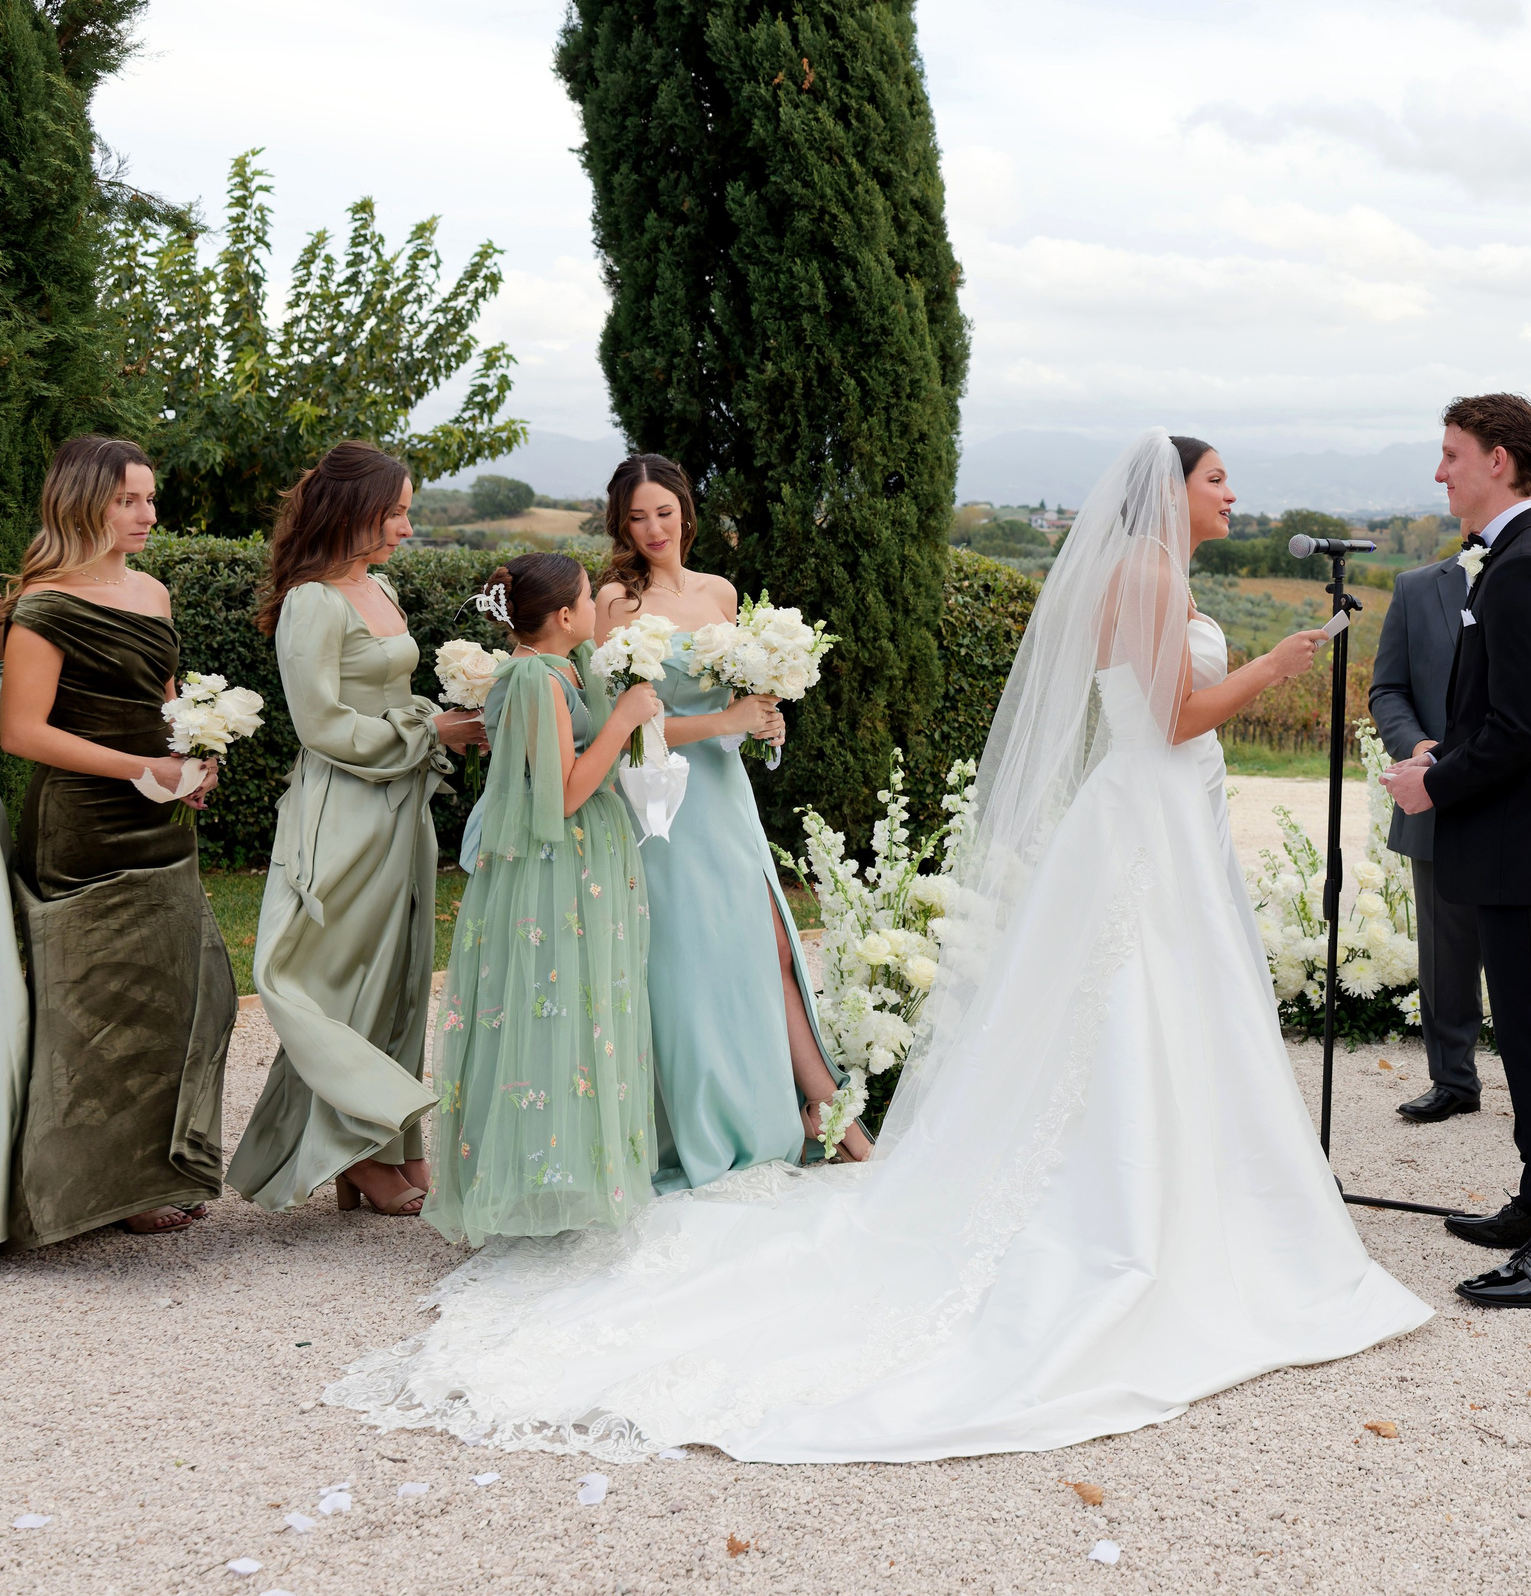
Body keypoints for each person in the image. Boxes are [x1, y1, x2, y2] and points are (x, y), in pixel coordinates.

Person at [327, 430, 1424, 1463]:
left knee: (1172, 1001)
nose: (1232, 494)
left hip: (1161, 813)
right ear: (1171, 489)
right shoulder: (1148, 575)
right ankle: (1153, 1203)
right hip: (1145, 803)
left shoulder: (1142, 572)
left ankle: (1195, 1186)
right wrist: (1280, 666)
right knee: (1141, 999)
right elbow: (1175, 714)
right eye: (1218, 477)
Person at [1381, 394, 1531, 1309]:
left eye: (1451, 455)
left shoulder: (1519, 573)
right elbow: (1514, 718)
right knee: (1524, 1040)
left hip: (1526, 851)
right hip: (1520, 844)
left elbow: (1519, 734)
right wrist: (1446, 745)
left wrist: (1431, 781)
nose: (1440, 472)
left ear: (1501, 462)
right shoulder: (1519, 560)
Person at [592, 453, 871, 1188]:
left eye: (664, 511)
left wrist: (762, 722)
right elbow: (617, 726)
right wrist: (724, 716)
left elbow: (739, 702)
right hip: (665, 806)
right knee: (691, 962)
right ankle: (729, 1121)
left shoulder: (721, 591)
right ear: (621, 522)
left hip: (725, 790)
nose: (653, 528)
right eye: (637, 516)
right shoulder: (619, 600)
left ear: (686, 509)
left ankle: (824, 1114)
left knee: (771, 946)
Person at [228, 442, 485, 1217]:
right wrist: (432, 734)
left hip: (402, 805)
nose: (408, 526)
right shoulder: (313, 601)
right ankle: (353, 1152)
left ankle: (386, 1147)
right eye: (397, 510)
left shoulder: (380, 586)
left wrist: (450, 721)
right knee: (343, 979)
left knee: (400, 972)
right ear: (354, 510)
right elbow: (322, 726)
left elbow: (389, 696)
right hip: (342, 808)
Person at [0, 437, 231, 1247]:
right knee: (95, 1009)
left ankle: (149, 1169)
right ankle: (98, 1191)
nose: (148, 514)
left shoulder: (154, 592)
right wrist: (140, 767)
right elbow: (20, 731)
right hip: (83, 827)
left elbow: (166, 705)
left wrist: (191, 761)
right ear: (83, 501)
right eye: (130, 499)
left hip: (158, 816)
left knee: (176, 994)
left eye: (151, 498)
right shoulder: (44, 606)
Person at [423, 554, 663, 1247]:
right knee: (549, 1006)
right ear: (562, 616)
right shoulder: (535, 678)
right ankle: (529, 1178)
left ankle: (564, 1169)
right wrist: (622, 721)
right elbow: (559, 795)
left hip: (584, 861)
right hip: (556, 866)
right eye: (588, 599)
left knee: (575, 1008)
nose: (596, 608)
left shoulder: (558, 669)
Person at [1368, 506, 1531, 1125]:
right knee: (1445, 951)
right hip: (1439, 801)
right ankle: (1452, 1078)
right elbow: (1388, 688)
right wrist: (1416, 747)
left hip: (1528, 806)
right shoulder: (1413, 588)